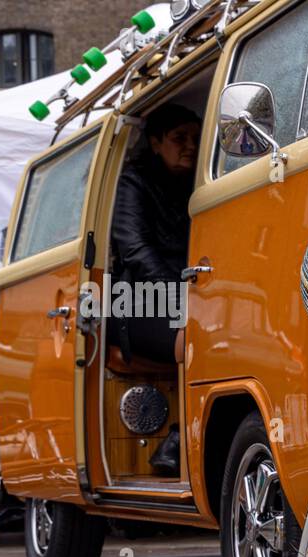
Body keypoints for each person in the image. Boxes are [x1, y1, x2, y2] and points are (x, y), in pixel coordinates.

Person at [110, 103, 200, 475]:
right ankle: (179, 439)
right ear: (155, 141)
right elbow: (134, 249)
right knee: (202, 340)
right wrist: (182, 295)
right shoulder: (134, 182)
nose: (190, 147)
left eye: (196, 139)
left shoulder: (198, 184)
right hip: (136, 304)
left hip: (189, 298)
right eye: (180, 138)